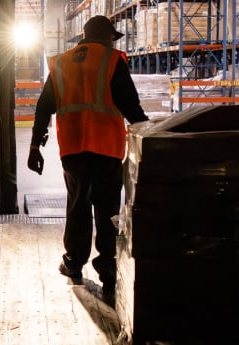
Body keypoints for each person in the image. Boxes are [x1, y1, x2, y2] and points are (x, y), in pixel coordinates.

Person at [26, 15, 150, 302]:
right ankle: (107, 269)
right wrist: (150, 137)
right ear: (106, 37)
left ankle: (73, 262)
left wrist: (35, 146)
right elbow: (130, 105)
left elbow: (43, 107)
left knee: (77, 205)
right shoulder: (111, 60)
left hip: (72, 149)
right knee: (107, 210)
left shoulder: (60, 62)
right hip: (105, 148)